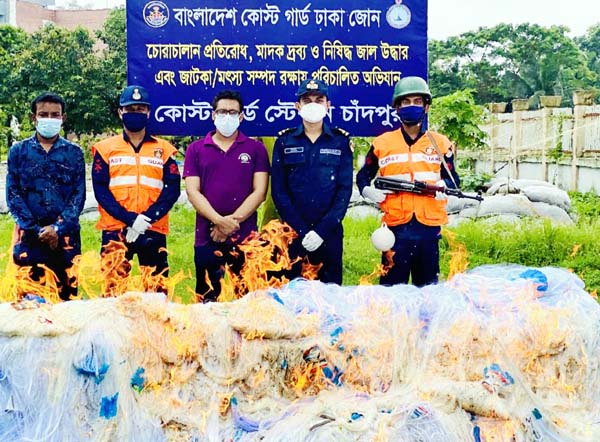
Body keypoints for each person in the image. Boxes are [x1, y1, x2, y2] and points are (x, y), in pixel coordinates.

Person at [356, 76, 460, 287]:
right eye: (406, 102)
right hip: (395, 229)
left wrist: (444, 187)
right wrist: (368, 191)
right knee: (392, 291)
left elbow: (453, 179)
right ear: (397, 107)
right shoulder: (382, 143)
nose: (411, 106)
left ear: (426, 107)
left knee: (428, 291)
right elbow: (363, 176)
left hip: (428, 229)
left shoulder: (440, 143)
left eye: (417, 102)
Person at [91, 85, 180, 295]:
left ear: (148, 112)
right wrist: (131, 220)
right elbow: (101, 190)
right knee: (113, 295)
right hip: (116, 230)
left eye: (140, 109)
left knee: (157, 293)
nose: (135, 113)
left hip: (153, 229)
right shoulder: (105, 149)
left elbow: (172, 190)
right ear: (120, 112)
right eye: (130, 109)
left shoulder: (165, 149)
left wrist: (146, 219)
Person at [183, 90, 270, 302]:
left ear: (241, 116)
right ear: (213, 115)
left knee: (247, 302)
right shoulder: (195, 149)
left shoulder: (256, 149)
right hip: (206, 236)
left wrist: (232, 223)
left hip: (245, 237)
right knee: (208, 302)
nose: (227, 116)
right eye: (222, 111)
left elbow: (259, 192)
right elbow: (193, 191)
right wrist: (219, 221)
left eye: (233, 112)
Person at [271, 79, 353, 285]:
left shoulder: (340, 141)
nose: (313, 104)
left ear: (328, 105)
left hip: (330, 234)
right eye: (307, 100)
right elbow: (279, 192)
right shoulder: (284, 141)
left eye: (319, 99)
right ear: (297, 106)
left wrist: (321, 231)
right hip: (292, 233)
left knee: (330, 298)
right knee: (293, 297)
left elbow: (344, 191)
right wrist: (302, 230)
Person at [6, 92, 85, 301]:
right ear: (34, 118)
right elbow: (13, 195)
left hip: (66, 240)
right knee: (29, 306)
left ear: (63, 118)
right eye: (43, 114)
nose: (49, 119)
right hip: (30, 239)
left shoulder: (74, 153)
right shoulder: (18, 152)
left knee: (67, 303)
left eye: (54, 114)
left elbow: (78, 196)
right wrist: (37, 229)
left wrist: (57, 229)